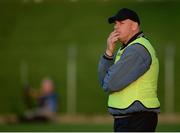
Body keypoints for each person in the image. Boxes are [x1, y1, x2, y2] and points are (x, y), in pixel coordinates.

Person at [98, 8, 160, 132]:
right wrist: (109, 52)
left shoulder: (137, 50)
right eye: (115, 24)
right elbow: (104, 81)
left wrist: (107, 81)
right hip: (129, 119)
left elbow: (110, 83)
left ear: (134, 26)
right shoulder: (126, 49)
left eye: (121, 23)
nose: (116, 27)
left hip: (136, 119)